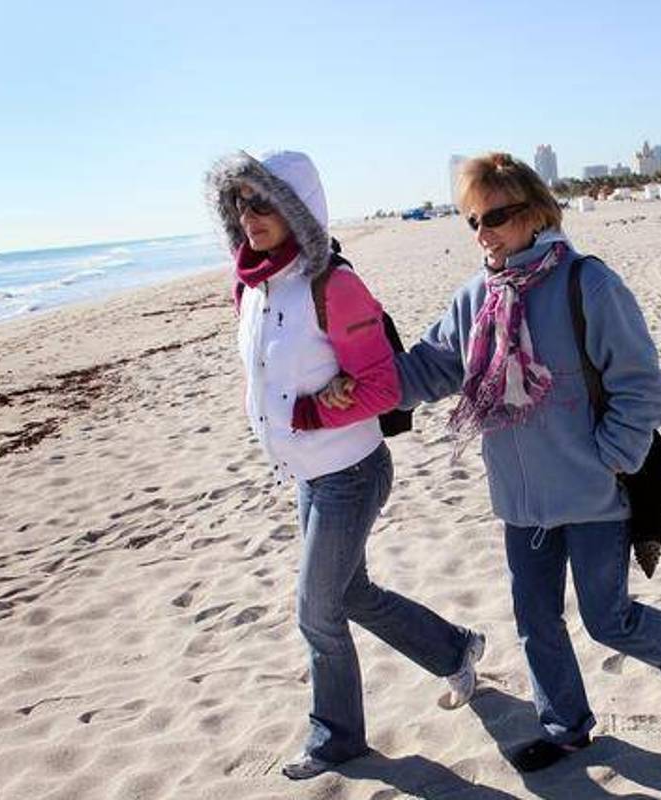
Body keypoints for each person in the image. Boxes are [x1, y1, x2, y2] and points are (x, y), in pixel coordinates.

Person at [325, 152, 661, 773]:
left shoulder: (588, 284)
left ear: (535, 212)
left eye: (497, 217)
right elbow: (429, 368)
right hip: (520, 501)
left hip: (594, 495)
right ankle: (566, 727)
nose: (484, 234)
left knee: (606, 620)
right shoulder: (476, 299)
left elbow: (644, 386)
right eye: (473, 221)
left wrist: (610, 459)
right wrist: (358, 384)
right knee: (536, 621)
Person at [205, 149, 485, 781]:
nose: (251, 216)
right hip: (309, 473)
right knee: (350, 592)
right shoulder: (253, 284)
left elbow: (384, 388)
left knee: (316, 610)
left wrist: (311, 414)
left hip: (351, 471)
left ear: (298, 206)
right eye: (241, 202)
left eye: (265, 201)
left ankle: (337, 739)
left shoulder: (333, 283)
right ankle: (454, 647)